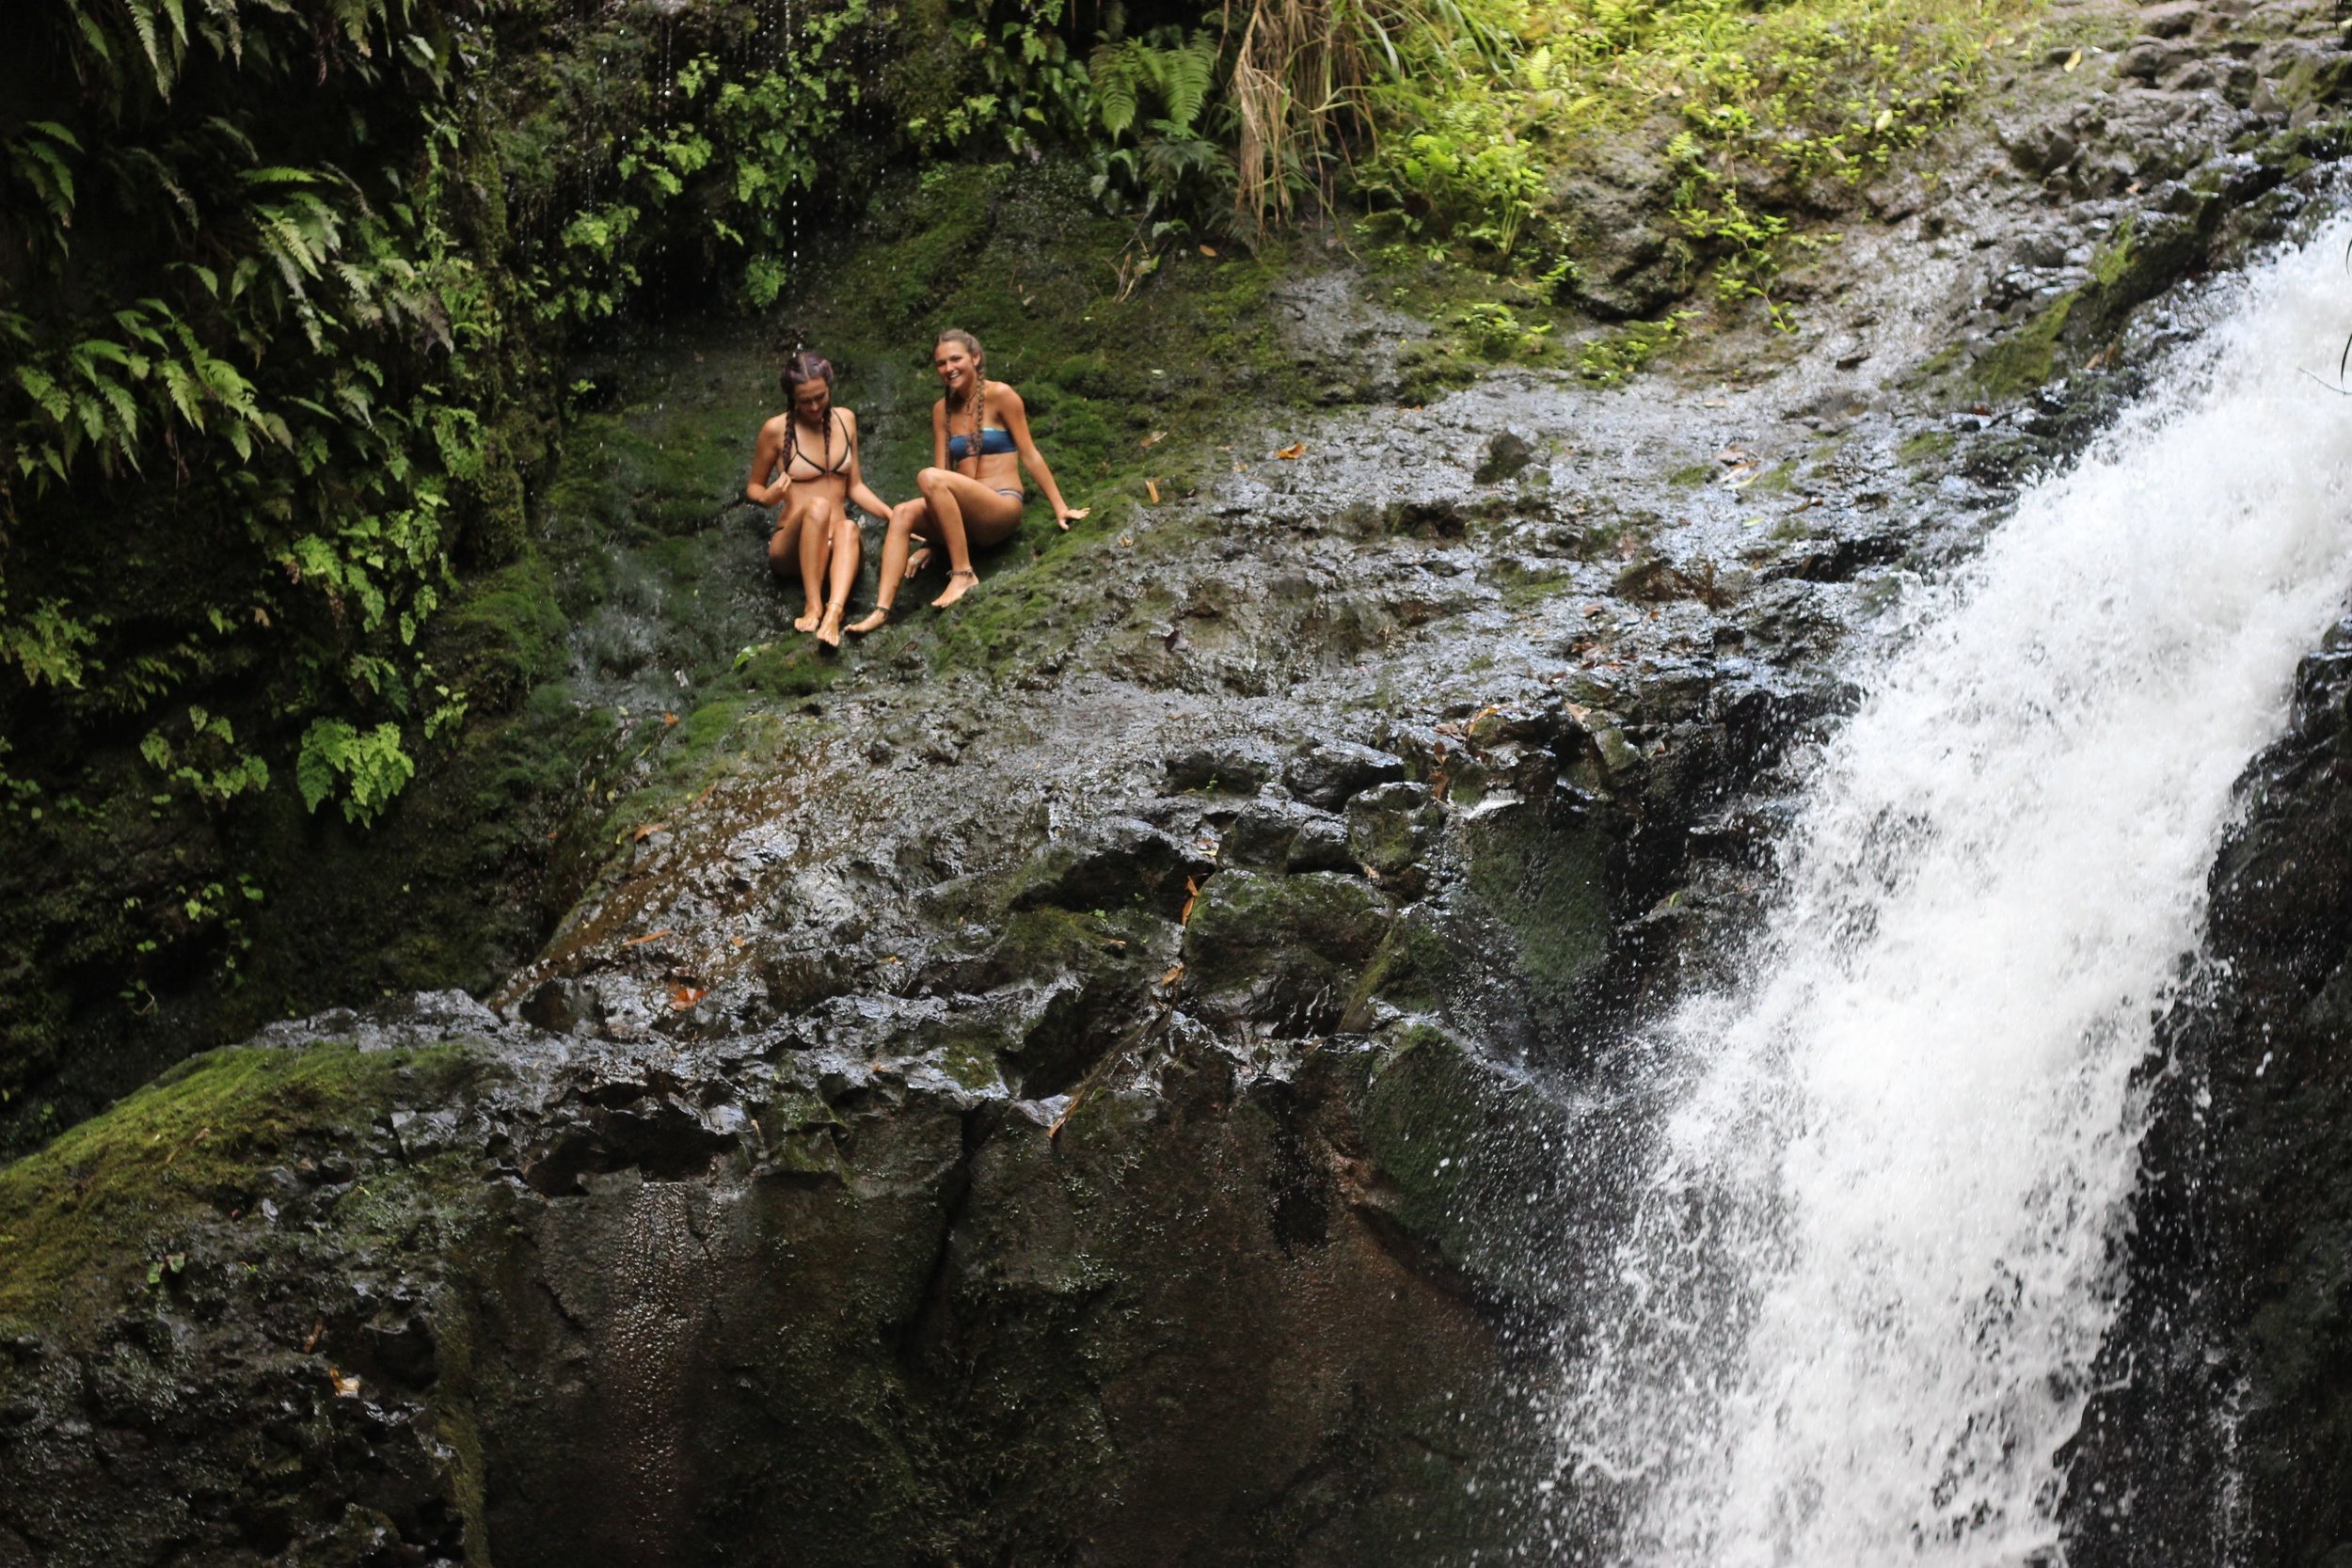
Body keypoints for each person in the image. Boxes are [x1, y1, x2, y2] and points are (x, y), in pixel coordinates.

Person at [847, 328, 1086, 630]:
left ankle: (963, 574)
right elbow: (940, 478)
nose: (949, 368)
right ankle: (881, 611)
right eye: (941, 363)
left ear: (975, 357)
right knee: (904, 512)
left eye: (956, 359)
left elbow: (1030, 454)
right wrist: (934, 543)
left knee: (929, 477)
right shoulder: (941, 410)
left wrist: (1060, 507)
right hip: (964, 518)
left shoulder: (1002, 396)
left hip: (1000, 507)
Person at [745, 352, 892, 650]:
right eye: (804, 401)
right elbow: (754, 488)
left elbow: (856, 486)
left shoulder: (846, 420)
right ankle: (813, 605)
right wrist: (769, 496)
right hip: (793, 546)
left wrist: (894, 517)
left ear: (830, 388)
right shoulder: (775, 429)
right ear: (792, 398)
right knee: (818, 506)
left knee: (849, 527)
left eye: (819, 397)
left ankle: (834, 612)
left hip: (838, 549)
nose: (813, 407)